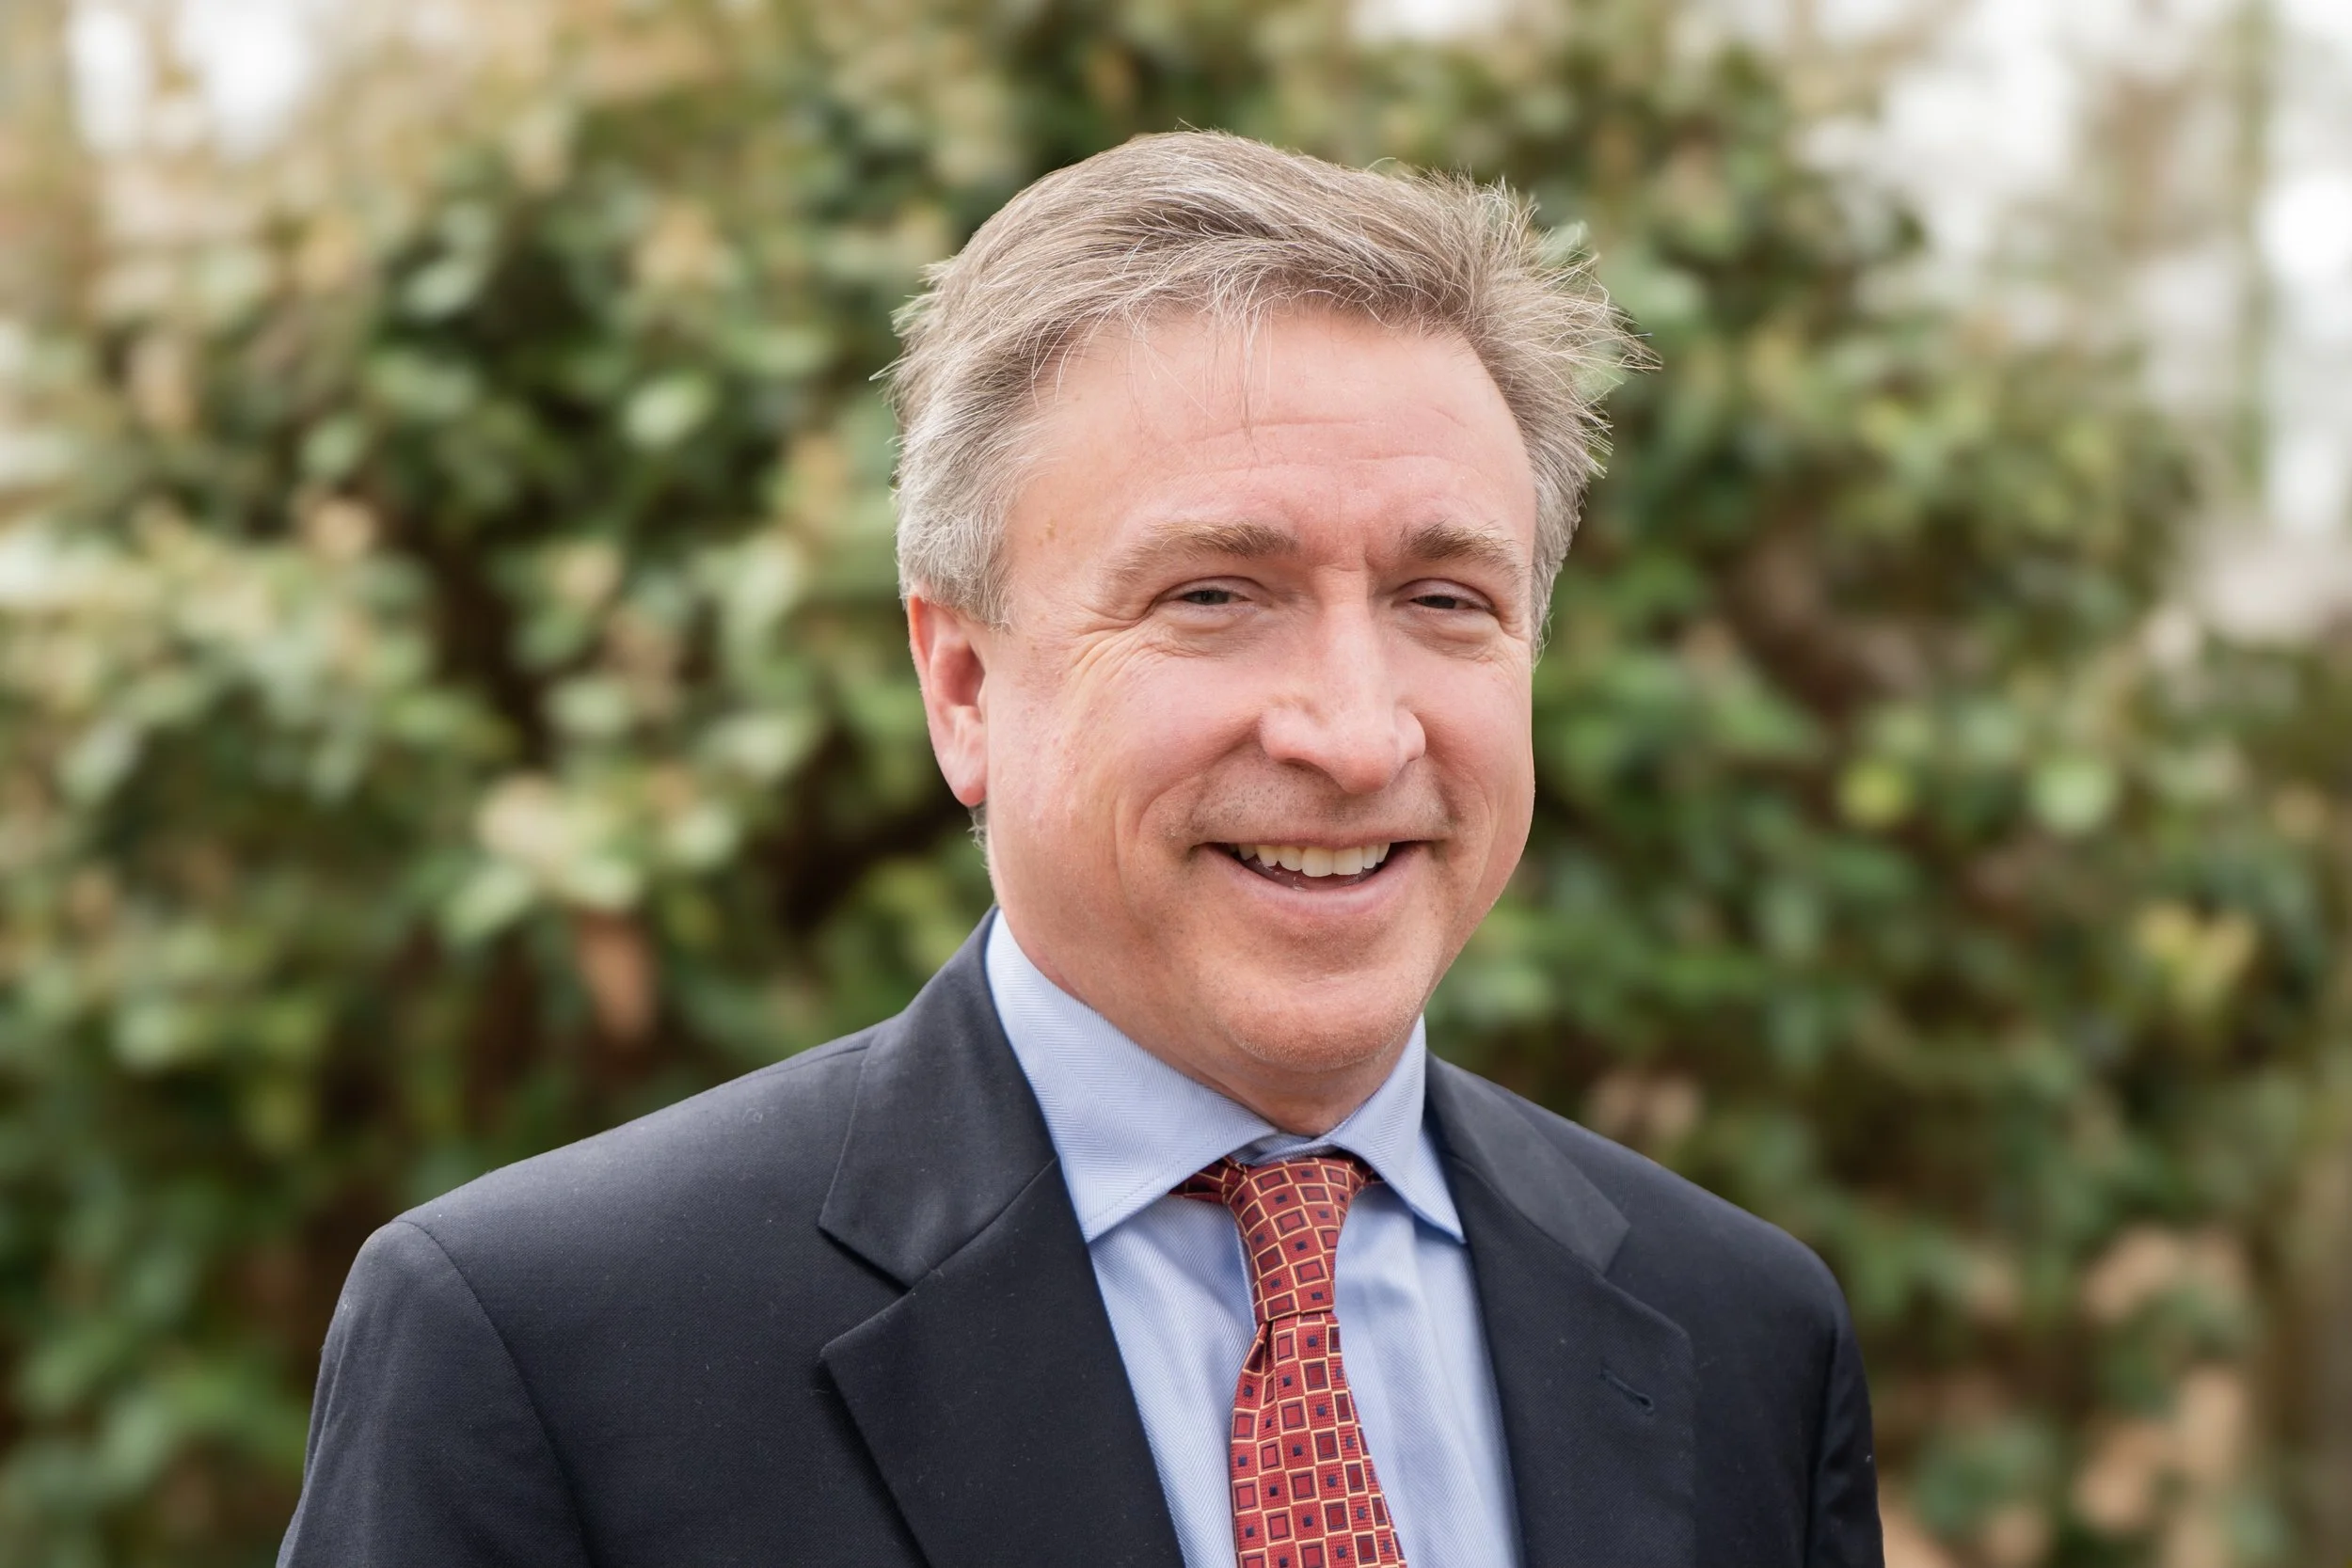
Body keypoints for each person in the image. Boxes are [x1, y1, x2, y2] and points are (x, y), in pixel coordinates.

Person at [278, 131, 1883, 1568]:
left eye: (1444, 599)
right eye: (1214, 594)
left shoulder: (1743, 1334)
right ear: (963, 686)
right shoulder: (550, 1347)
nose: (1355, 732)